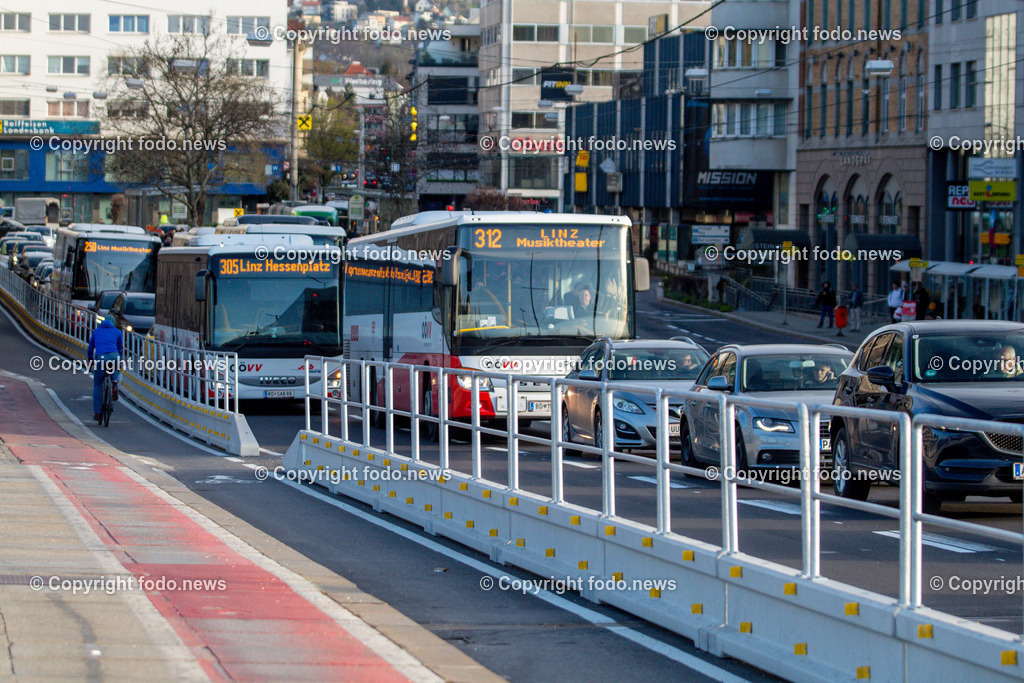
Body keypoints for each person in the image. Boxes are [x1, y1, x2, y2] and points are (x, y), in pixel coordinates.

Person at [87, 317, 123, 422]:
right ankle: (115, 384)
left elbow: (90, 348)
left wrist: (91, 361)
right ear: (114, 323)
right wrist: (120, 361)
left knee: (98, 385)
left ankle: (98, 413)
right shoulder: (117, 332)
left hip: (101, 358)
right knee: (115, 368)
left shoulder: (97, 331)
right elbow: (120, 349)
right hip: (114, 356)